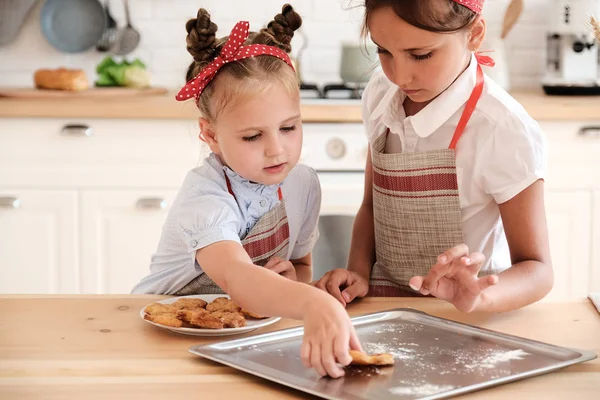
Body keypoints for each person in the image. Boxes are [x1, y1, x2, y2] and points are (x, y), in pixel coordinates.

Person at [132, 4, 361, 378]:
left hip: (236, 339)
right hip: (163, 340)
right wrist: (315, 304)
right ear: (210, 135)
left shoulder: (302, 184)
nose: (277, 149)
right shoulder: (205, 197)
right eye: (253, 136)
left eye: (289, 128)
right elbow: (237, 277)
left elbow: (301, 266)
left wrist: (294, 286)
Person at [314, 0, 553, 314]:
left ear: (474, 34)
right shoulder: (380, 94)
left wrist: (480, 298)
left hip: (465, 318)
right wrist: (356, 271)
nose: (400, 76)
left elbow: (538, 269)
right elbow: (371, 206)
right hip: (384, 309)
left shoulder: (502, 128)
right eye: (382, 50)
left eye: (421, 55)